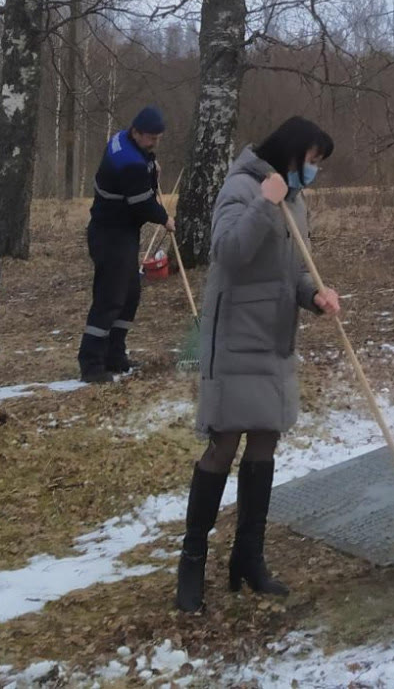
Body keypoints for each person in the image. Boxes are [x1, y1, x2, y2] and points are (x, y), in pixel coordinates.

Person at [177, 116, 341, 614]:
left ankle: (248, 558)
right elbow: (228, 252)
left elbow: (293, 272)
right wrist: (263, 203)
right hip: (233, 339)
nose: (312, 171)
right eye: (311, 161)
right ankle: (192, 562)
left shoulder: (294, 197)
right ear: (292, 152)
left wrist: (315, 295)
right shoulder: (242, 186)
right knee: (223, 443)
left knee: (265, 440)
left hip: (273, 339)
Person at [77, 106, 171, 383]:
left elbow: (144, 169)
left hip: (123, 232)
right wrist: (166, 219)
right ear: (137, 132)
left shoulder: (122, 139)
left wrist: (152, 169)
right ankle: (92, 364)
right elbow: (142, 203)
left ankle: (115, 356)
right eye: (151, 138)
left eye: (158, 138)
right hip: (110, 234)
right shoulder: (128, 160)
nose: (154, 143)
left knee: (130, 294)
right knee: (110, 298)